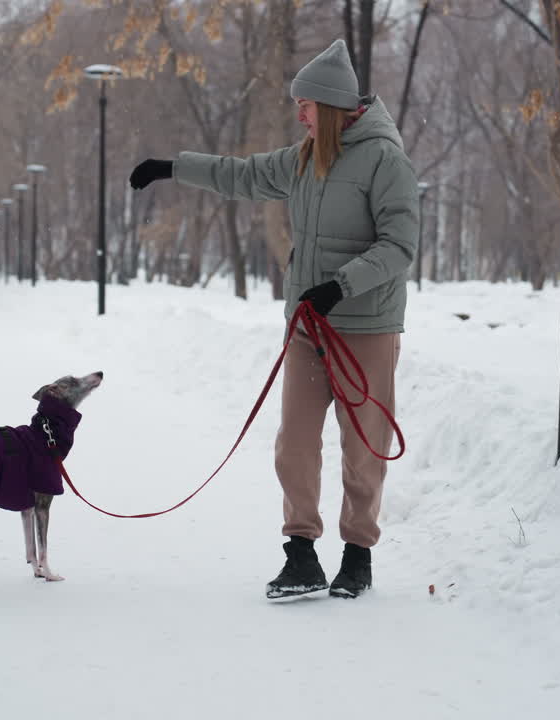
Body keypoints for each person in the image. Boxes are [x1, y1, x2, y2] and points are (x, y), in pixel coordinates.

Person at [128, 39, 418, 600]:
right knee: (295, 443)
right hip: (309, 326)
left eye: (305, 105)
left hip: (365, 327)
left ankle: (357, 555)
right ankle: (302, 553)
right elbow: (241, 175)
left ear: (330, 107)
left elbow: (401, 246)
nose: (298, 113)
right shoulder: (304, 157)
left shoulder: (386, 160)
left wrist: (342, 284)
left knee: (363, 448)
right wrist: (171, 167)